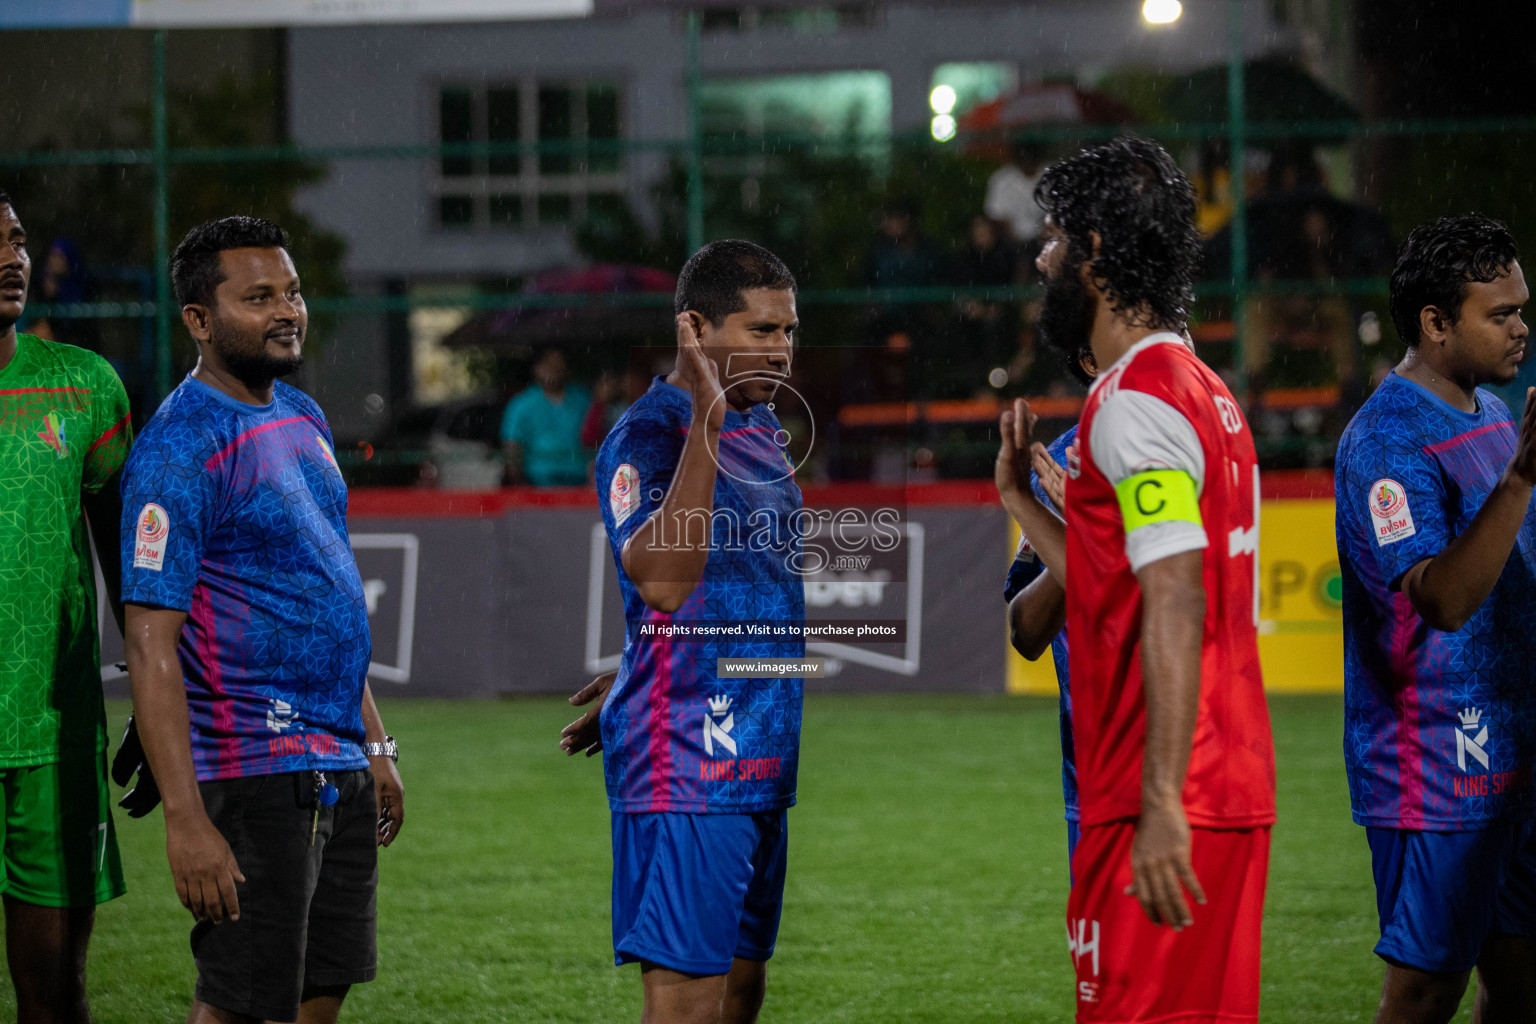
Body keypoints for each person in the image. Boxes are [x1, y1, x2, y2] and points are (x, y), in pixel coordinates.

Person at [998, 137, 1275, 1022]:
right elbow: (1121, 583)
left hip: (1164, 795)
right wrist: (1031, 508)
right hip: (1222, 783)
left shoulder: (1134, 404)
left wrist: (1159, 802)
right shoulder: (1202, 390)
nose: (1039, 262)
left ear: (1096, 252)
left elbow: (1175, 599)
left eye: (1051, 241)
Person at [118, 216, 405, 1024]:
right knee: (245, 1003)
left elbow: (329, 588)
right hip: (253, 769)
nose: (288, 310)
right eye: (258, 297)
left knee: (318, 992)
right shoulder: (178, 448)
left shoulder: (302, 415)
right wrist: (186, 820)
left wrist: (372, 743)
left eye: (292, 290)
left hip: (336, 758)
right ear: (199, 321)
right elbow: (149, 642)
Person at [560, 239, 804, 1024]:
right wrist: (706, 412)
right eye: (762, 331)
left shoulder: (762, 428)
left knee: (741, 992)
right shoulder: (650, 437)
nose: (783, 350)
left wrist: (640, 665)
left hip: (764, 753)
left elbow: (738, 589)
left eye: (789, 331)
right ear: (695, 330)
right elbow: (663, 581)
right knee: (687, 1005)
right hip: (691, 762)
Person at [1335, 214, 1536, 1024]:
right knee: (1425, 990)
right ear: (1436, 322)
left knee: (1522, 977)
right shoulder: (1386, 440)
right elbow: (1442, 600)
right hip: (1438, 759)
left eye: (1523, 307)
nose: (1522, 326)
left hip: (1513, 743)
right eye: (1503, 313)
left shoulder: (1490, 410)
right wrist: (1522, 477)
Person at [0, 189, 132, 1023]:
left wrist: (165, 720)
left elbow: (135, 577)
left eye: (15, 240)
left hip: (53, 741)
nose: (11, 256)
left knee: (55, 996)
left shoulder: (83, 386)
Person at [1000, 344, 1096, 869]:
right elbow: (1026, 633)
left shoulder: (1205, 442)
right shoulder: (1055, 467)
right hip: (1095, 777)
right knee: (1107, 954)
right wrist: (1080, 540)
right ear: (1090, 360)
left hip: (1203, 767)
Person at [500, 345, 591, 486]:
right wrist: (519, 485)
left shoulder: (582, 399)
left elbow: (596, 438)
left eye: (558, 363)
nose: (554, 369)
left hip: (580, 480)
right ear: (537, 368)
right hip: (538, 482)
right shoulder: (521, 404)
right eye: (549, 363)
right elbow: (512, 446)